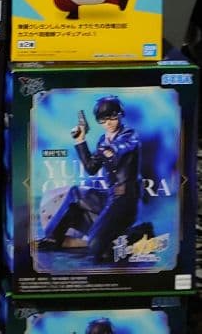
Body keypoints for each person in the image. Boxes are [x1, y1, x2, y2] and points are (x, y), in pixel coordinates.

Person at [38, 96, 142, 263]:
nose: (108, 122)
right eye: (103, 119)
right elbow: (91, 168)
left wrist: (110, 149)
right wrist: (80, 139)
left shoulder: (129, 134)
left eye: (112, 116)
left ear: (120, 114)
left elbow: (123, 147)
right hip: (110, 197)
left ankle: (137, 233)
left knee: (96, 248)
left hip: (126, 200)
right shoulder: (103, 140)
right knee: (75, 193)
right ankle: (52, 238)